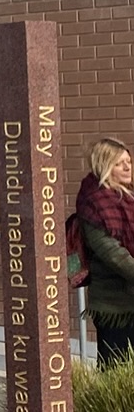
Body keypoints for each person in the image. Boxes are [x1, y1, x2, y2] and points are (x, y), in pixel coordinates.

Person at [73, 138, 134, 368]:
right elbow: (112, 254)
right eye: (119, 163)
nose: (127, 167)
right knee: (115, 370)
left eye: (129, 161)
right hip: (114, 306)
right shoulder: (94, 203)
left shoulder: (129, 198)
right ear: (105, 166)